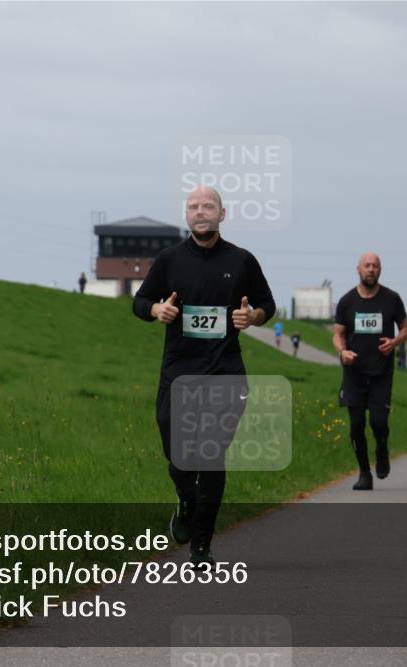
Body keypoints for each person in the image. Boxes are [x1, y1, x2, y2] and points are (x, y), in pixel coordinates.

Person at [132, 186, 275, 564]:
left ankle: (201, 545)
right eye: (194, 207)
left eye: (208, 206)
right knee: (178, 456)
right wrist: (155, 310)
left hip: (225, 374)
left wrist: (253, 317)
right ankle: (185, 499)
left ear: (222, 214)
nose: (200, 212)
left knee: (211, 456)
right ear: (187, 215)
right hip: (177, 374)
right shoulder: (169, 260)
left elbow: (267, 304)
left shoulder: (242, 260)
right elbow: (139, 301)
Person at [332, 252, 407, 490]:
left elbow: (406, 329)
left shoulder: (392, 299)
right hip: (354, 373)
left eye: (375, 266)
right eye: (367, 265)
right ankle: (364, 473)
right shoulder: (347, 301)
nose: (371, 269)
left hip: (381, 372)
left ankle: (382, 448)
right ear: (358, 269)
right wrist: (342, 352)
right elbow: (338, 334)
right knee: (356, 425)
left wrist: (394, 343)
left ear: (380, 270)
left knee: (378, 423)